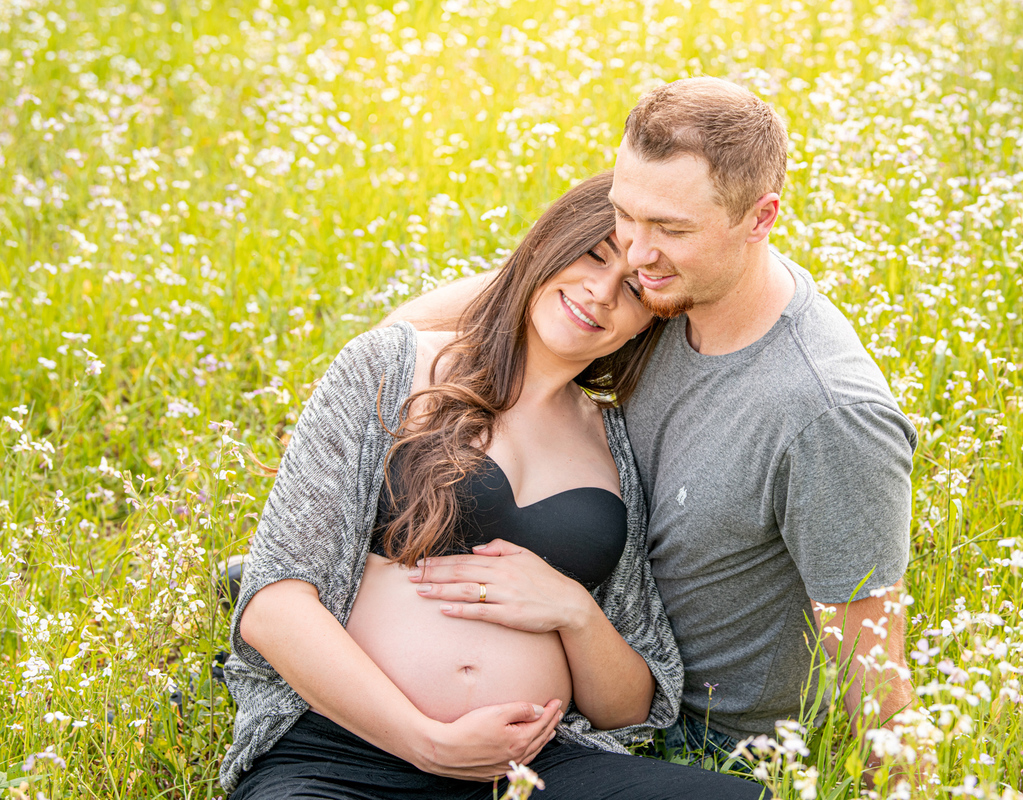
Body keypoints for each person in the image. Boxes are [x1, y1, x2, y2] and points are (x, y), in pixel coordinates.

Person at [381, 77, 921, 777]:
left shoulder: (826, 415)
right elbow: (414, 330)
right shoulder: (660, 301)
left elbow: (876, 681)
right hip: (570, 687)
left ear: (761, 218)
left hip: (687, 746)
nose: (635, 254)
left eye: (670, 229)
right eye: (624, 215)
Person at [219, 172, 767, 799]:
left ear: (651, 320)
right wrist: (425, 741)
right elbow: (273, 606)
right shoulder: (393, 366)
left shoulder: (617, 443)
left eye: (636, 290)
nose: (600, 293)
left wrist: (575, 611)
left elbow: (631, 709)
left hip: (534, 771)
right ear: (546, 246)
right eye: (593, 256)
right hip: (344, 749)